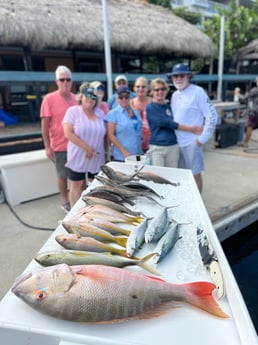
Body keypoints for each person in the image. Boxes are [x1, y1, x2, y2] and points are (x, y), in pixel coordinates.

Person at [168, 63, 217, 193]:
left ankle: (198, 205)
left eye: (181, 75)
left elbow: (212, 116)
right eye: (175, 76)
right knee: (182, 176)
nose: (178, 79)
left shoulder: (198, 92)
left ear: (188, 76)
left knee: (195, 175)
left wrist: (201, 140)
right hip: (177, 143)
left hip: (192, 143)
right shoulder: (174, 95)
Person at [40, 65, 77, 213]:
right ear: (56, 81)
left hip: (76, 145)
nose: (65, 82)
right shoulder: (49, 99)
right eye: (62, 80)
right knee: (62, 175)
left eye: (68, 79)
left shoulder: (76, 98)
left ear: (71, 81)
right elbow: (44, 124)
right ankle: (65, 200)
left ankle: (76, 197)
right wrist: (47, 146)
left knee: (77, 175)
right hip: (59, 145)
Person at [62, 84, 107, 207]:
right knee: (77, 184)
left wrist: (106, 153)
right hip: (77, 156)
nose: (90, 99)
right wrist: (86, 148)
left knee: (95, 185)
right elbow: (68, 133)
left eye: (93, 97)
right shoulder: (73, 111)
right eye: (87, 95)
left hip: (97, 157)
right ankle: (74, 214)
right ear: (81, 97)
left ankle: (92, 211)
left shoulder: (100, 113)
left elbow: (105, 135)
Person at [146, 78, 202, 168]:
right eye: (157, 89)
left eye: (163, 89)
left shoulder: (169, 107)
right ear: (152, 92)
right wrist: (191, 129)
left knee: (172, 176)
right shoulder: (151, 108)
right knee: (158, 177)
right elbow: (169, 123)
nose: (160, 92)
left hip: (173, 146)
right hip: (157, 147)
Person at [105, 86, 142, 161]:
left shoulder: (136, 112)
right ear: (116, 98)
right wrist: (124, 151)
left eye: (126, 97)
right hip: (122, 156)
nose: (124, 99)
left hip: (137, 154)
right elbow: (111, 135)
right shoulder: (113, 114)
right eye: (121, 97)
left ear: (130, 97)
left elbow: (137, 131)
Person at [130, 76, 152, 152]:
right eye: (138, 86)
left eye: (143, 86)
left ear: (148, 88)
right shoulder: (130, 104)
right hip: (135, 143)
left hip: (152, 144)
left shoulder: (153, 102)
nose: (140, 89)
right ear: (134, 88)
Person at [238, 76, 258, 148]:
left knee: (250, 127)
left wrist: (237, 94)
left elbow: (244, 98)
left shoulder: (254, 90)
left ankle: (245, 143)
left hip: (254, 112)